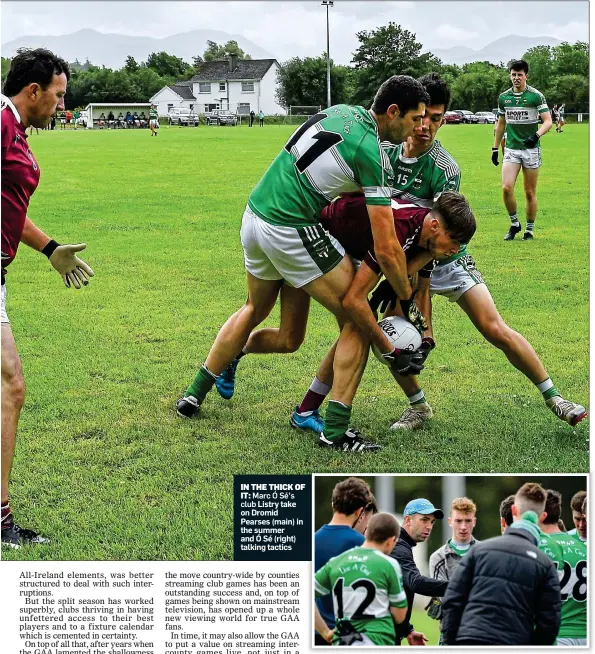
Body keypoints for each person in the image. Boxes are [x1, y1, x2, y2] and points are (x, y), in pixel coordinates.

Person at [291, 72, 585, 431]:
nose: (428, 126)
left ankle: (554, 397)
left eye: (438, 118)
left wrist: (419, 304)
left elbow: (435, 246)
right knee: (382, 330)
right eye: (424, 116)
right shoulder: (382, 152)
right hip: (396, 256)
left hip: (441, 255)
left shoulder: (446, 169)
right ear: (412, 114)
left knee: (494, 327)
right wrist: (404, 293)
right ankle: (416, 406)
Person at [176, 75, 429, 453]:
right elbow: (387, 245)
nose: (418, 128)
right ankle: (337, 430)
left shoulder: (341, 112)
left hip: (255, 215)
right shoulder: (372, 152)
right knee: (357, 319)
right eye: (414, 119)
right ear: (393, 112)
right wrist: (406, 297)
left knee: (273, 325)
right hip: (289, 227)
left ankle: (194, 394)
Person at [1, 48, 95, 548]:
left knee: (9, 387)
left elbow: (9, 206)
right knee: (11, 386)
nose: (61, 105)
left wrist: (51, 248)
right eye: (58, 96)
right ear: (34, 91)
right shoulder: (0, 121)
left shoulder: (15, 128)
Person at [441, 482, 561, 646]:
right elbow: (549, 623)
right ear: (542, 517)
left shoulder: (479, 551)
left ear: (513, 511)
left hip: (469, 640)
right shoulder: (545, 565)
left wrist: (451, 644)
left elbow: (452, 600)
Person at [315, 512, 408, 646]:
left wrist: (324, 631)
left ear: (366, 534)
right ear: (391, 541)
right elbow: (399, 615)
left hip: (343, 641)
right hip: (376, 640)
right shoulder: (389, 564)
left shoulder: (336, 562)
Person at [492, 59, 552, 241]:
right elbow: (501, 123)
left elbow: (548, 121)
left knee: (529, 191)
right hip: (511, 149)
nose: (516, 78)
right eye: (513, 74)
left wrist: (536, 135)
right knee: (506, 187)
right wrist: (495, 148)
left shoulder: (535, 96)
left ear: (526, 75)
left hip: (531, 150)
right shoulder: (504, 98)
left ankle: (530, 229)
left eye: (519, 74)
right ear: (510, 75)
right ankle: (514, 223)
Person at [314, 477, 377, 646]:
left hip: (315, 634)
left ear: (333, 505)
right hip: (350, 636)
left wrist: (324, 631)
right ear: (359, 512)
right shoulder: (362, 544)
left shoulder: (310, 541)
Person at [389, 498, 447, 645]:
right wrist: (459, 585)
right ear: (408, 520)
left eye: (432, 522)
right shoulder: (398, 547)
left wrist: (407, 630)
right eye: (424, 520)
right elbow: (416, 582)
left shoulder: (400, 545)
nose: (429, 526)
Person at [538, 489, 587, 646]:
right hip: (585, 635)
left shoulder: (536, 547)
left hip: (556, 635)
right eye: (576, 519)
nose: (581, 525)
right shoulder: (583, 548)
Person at [427, 497, 479, 641]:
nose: (463, 526)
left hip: (480, 631)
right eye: (458, 521)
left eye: (468, 521)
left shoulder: (486, 552)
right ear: (450, 522)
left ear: (474, 522)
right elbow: (445, 597)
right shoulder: (438, 558)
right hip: (451, 633)